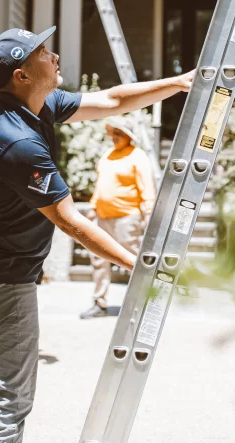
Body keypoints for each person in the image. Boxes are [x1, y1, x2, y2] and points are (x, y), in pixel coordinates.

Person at [0, 26, 193, 443]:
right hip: (1, 279)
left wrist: (178, 83)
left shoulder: (37, 106)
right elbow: (69, 220)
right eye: (44, 53)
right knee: (9, 398)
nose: (55, 56)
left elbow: (113, 100)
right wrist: (137, 265)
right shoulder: (17, 141)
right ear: (22, 75)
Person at [80, 116, 155, 319]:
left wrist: (149, 212)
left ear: (129, 136)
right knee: (98, 260)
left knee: (132, 261)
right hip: (103, 217)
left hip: (127, 218)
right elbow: (101, 185)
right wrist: (93, 207)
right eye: (113, 133)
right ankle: (99, 303)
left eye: (118, 133)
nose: (114, 137)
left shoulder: (138, 156)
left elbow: (147, 186)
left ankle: (140, 304)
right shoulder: (108, 155)